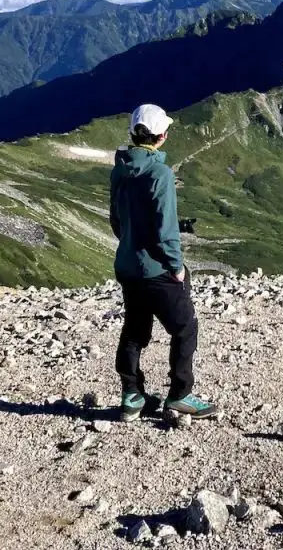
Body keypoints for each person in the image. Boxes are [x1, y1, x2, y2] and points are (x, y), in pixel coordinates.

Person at [110, 103, 215, 422]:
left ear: (133, 133)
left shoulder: (119, 169)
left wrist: (130, 245)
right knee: (185, 326)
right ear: (161, 136)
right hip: (156, 269)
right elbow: (166, 228)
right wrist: (176, 266)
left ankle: (132, 396)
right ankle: (180, 395)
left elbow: (116, 219)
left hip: (128, 267)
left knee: (134, 330)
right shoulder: (160, 173)